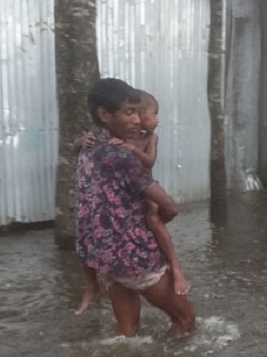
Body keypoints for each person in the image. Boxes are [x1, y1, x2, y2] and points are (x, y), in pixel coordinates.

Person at [76, 78, 195, 337]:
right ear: (104, 114)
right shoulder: (122, 157)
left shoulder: (90, 147)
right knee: (186, 320)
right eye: (129, 113)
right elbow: (170, 206)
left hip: (107, 259)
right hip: (137, 259)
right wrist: (155, 222)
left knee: (127, 333)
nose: (137, 120)